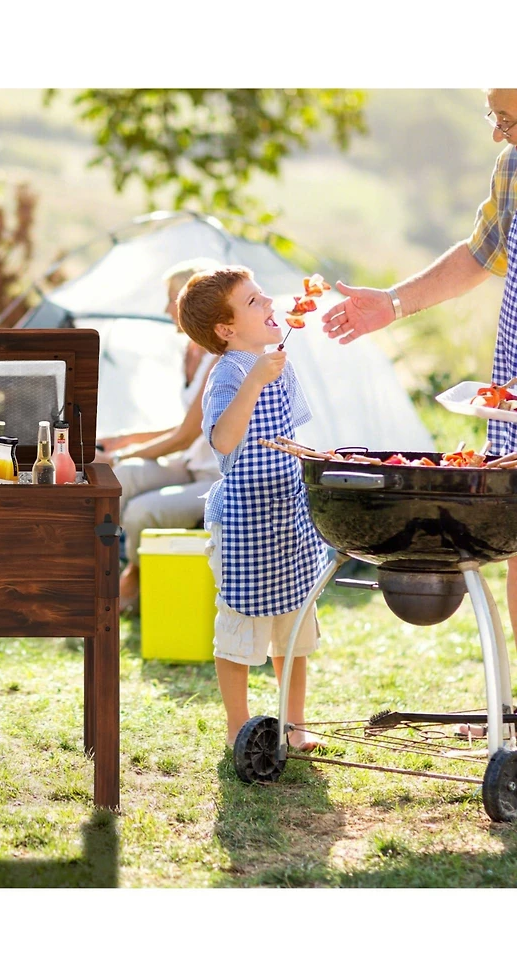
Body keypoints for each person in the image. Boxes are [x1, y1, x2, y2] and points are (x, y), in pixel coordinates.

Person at [321, 88, 517, 738]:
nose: (497, 133)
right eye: (493, 115)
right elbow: (480, 253)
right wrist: (393, 304)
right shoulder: (513, 165)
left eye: (509, 117)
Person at [177, 265, 328, 752]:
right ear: (226, 330)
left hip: (288, 514)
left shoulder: (276, 362)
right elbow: (223, 439)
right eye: (254, 302)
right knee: (240, 626)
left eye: (265, 298)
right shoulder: (228, 374)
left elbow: (285, 434)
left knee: (295, 627)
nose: (269, 307)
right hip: (245, 519)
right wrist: (253, 384)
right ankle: (238, 726)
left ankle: (294, 721)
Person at [98, 258, 222, 613]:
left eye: (172, 298)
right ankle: (100, 573)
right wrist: (125, 441)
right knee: (123, 478)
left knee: (139, 511)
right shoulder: (190, 350)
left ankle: (134, 579)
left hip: (215, 476)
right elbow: (186, 425)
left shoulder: (218, 359)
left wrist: (123, 453)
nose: (166, 308)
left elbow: (186, 435)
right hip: (190, 464)